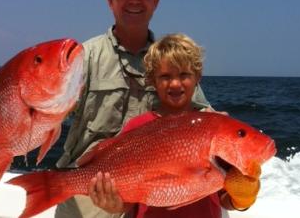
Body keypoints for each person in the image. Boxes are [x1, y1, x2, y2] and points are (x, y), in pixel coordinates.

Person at [55, 0, 212, 218]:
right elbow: (46, 115)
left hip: (146, 194)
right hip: (89, 191)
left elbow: (203, 120)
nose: (134, 0)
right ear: (110, 0)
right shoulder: (83, 57)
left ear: (156, 1)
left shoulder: (169, 61)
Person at [87, 34, 261, 218]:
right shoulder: (138, 126)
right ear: (153, 81)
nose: (175, 83)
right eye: (165, 76)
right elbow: (127, 203)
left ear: (197, 77)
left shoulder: (215, 129)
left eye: (184, 75)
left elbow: (225, 200)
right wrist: (114, 204)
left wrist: (243, 196)